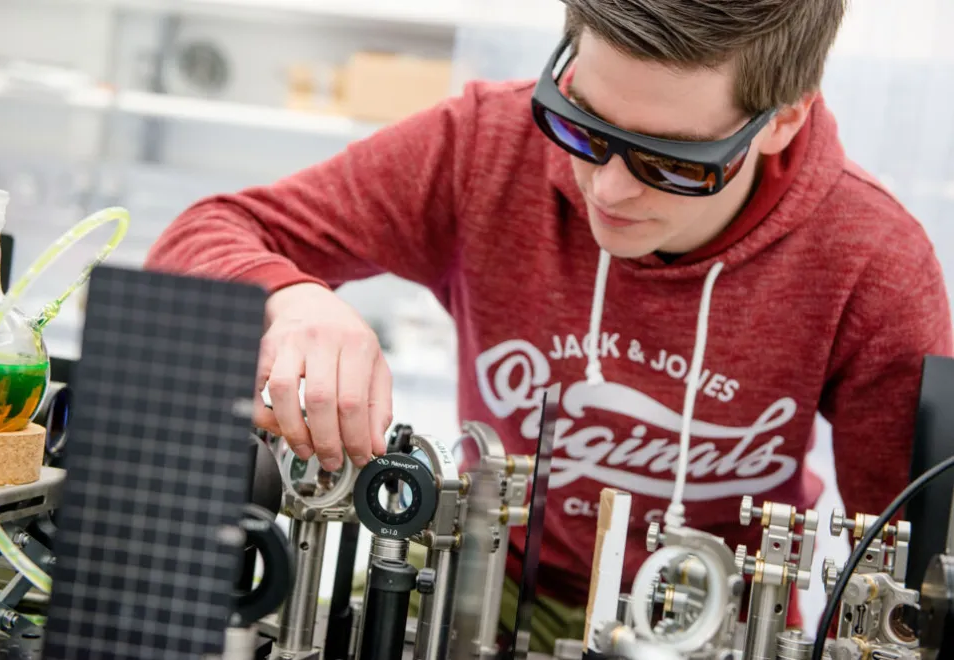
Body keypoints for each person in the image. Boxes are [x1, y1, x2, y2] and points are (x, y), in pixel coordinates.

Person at [144, 0, 953, 650]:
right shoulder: (480, 146)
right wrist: (290, 298)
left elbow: (913, 563)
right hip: (475, 592)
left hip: (711, 622)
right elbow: (198, 237)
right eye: (581, 125)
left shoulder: (870, 256)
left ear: (782, 119)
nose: (606, 190)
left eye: (671, 162)